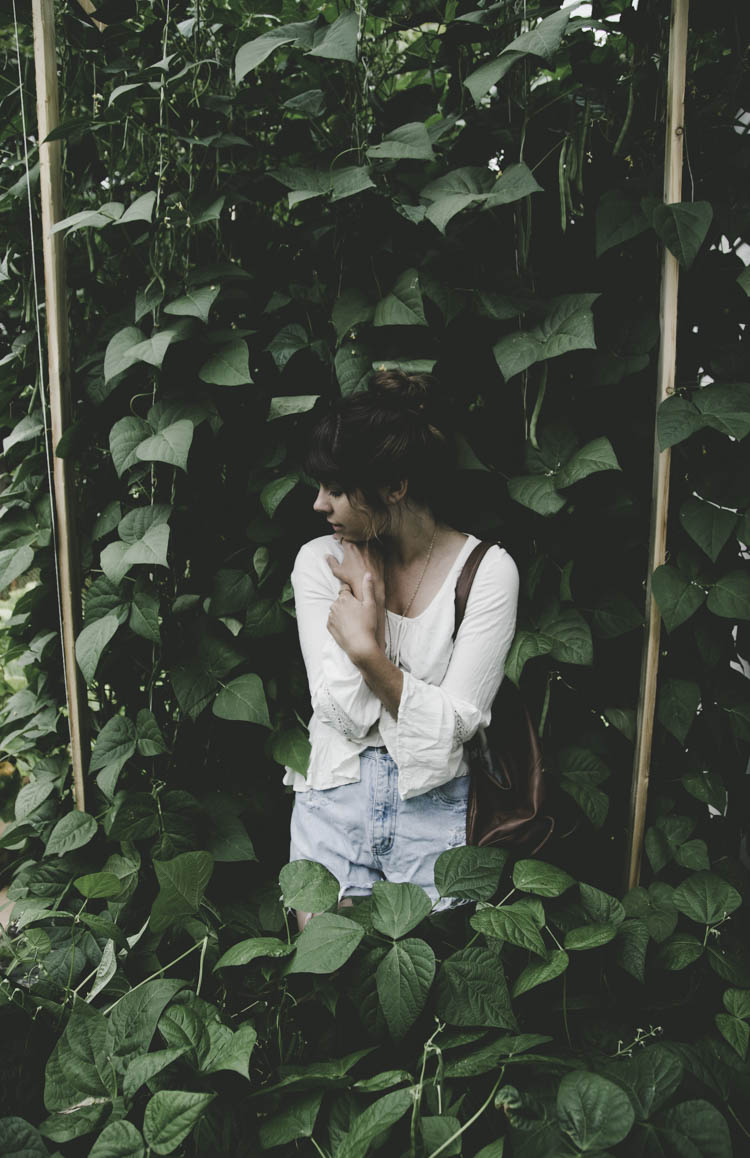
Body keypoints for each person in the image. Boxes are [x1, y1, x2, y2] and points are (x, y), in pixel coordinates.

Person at [284, 369, 520, 929]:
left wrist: (366, 649)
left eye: (336, 488)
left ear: (395, 487)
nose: (318, 504)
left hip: (433, 808)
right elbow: (341, 712)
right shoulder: (320, 562)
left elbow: (455, 726)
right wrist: (365, 594)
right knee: (326, 970)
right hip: (333, 797)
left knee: (422, 972)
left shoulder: (487, 573)